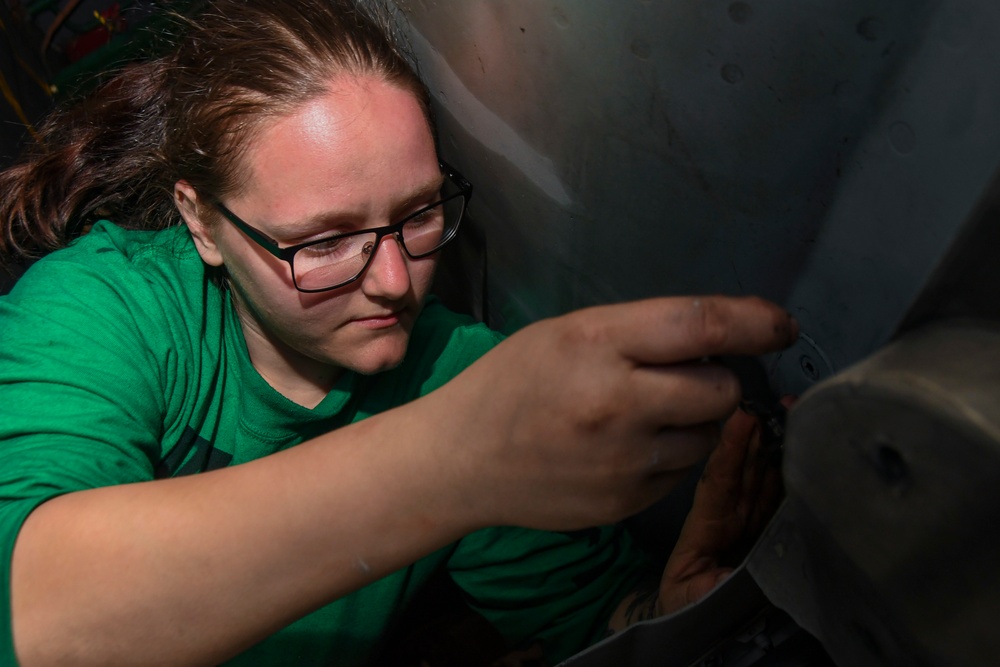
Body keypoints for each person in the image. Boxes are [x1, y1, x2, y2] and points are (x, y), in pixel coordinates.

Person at [0, 1, 797, 665]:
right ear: (201, 220)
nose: (392, 281)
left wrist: (676, 609)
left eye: (418, 215)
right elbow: (33, 617)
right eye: (323, 242)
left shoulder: (460, 374)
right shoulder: (102, 307)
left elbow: (591, 622)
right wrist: (458, 455)